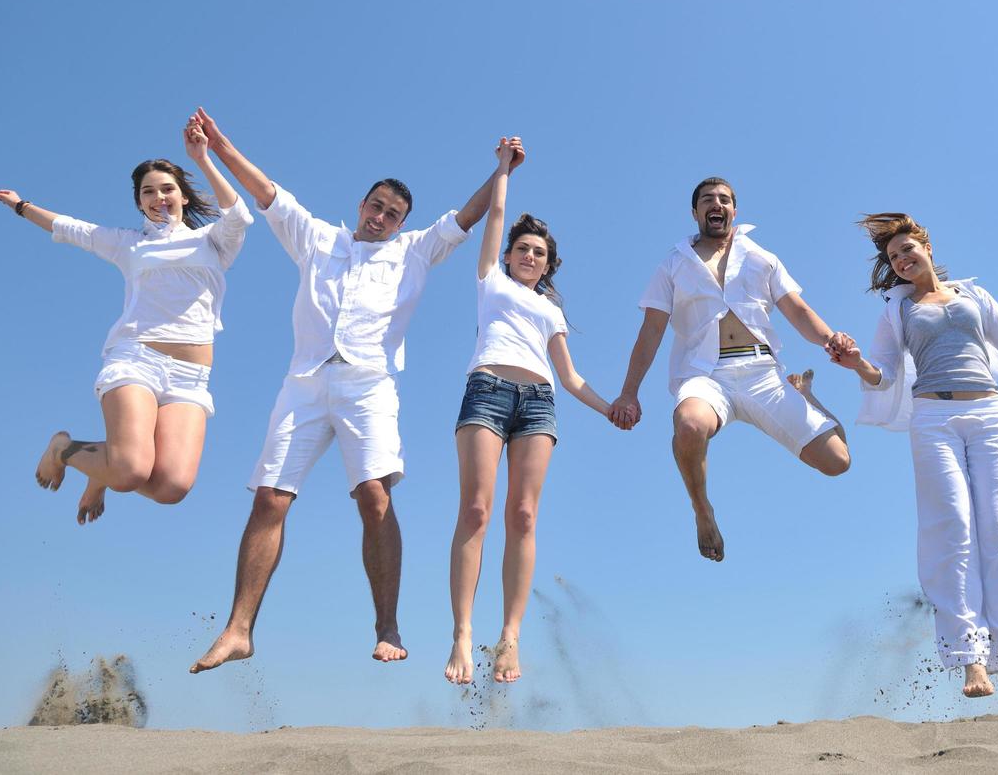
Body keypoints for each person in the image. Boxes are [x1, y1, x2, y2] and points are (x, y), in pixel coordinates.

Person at [188, 109, 509, 672]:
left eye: (394, 213)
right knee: (269, 498)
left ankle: (387, 625)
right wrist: (220, 146)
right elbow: (268, 195)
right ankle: (239, 630)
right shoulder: (317, 239)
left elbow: (467, 216)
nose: (383, 217)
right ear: (361, 206)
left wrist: (502, 168)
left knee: (374, 496)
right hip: (305, 382)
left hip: (369, 386)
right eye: (377, 206)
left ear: (402, 220)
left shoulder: (414, 251)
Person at [827, 214, 998, 698]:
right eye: (894, 258)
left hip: (989, 413)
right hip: (933, 418)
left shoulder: (975, 296)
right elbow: (882, 374)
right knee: (952, 527)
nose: (902, 260)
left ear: (926, 245)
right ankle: (969, 657)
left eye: (908, 249)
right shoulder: (897, 310)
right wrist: (855, 363)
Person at [0, 114, 250, 525]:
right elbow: (72, 228)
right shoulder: (130, 244)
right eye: (148, 192)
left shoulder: (213, 242)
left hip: (191, 377)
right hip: (137, 360)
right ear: (139, 202)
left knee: (171, 487)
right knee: (131, 471)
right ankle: (66, 450)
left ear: (183, 196)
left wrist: (202, 158)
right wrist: (22, 206)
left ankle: (101, 471)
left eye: (167, 189)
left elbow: (239, 216)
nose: (158, 197)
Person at [443, 139, 615, 685]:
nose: (530, 256)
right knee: (476, 510)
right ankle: (463, 633)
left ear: (547, 264)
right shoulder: (489, 281)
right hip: (487, 393)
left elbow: (571, 377)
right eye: (523, 248)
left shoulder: (550, 309)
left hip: (539, 404)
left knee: (523, 516)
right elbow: (494, 213)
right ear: (509, 253)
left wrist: (610, 408)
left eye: (539, 252)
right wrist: (502, 169)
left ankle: (510, 637)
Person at [609, 177, 852, 563]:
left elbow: (798, 311)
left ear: (734, 210)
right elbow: (651, 329)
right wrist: (629, 391)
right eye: (707, 200)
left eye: (724, 199)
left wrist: (830, 340)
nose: (716, 204)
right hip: (706, 376)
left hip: (763, 375)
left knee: (838, 461)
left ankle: (806, 395)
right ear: (695, 213)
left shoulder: (761, 257)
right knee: (688, 424)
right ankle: (702, 509)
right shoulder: (673, 264)